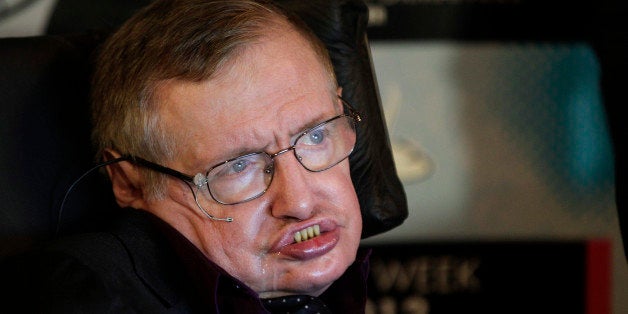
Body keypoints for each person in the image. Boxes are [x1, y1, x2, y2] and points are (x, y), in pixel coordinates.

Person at [2, 0, 371, 312]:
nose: (302, 203)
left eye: (316, 135)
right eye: (239, 166)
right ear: (130, 182)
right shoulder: (87, 298)